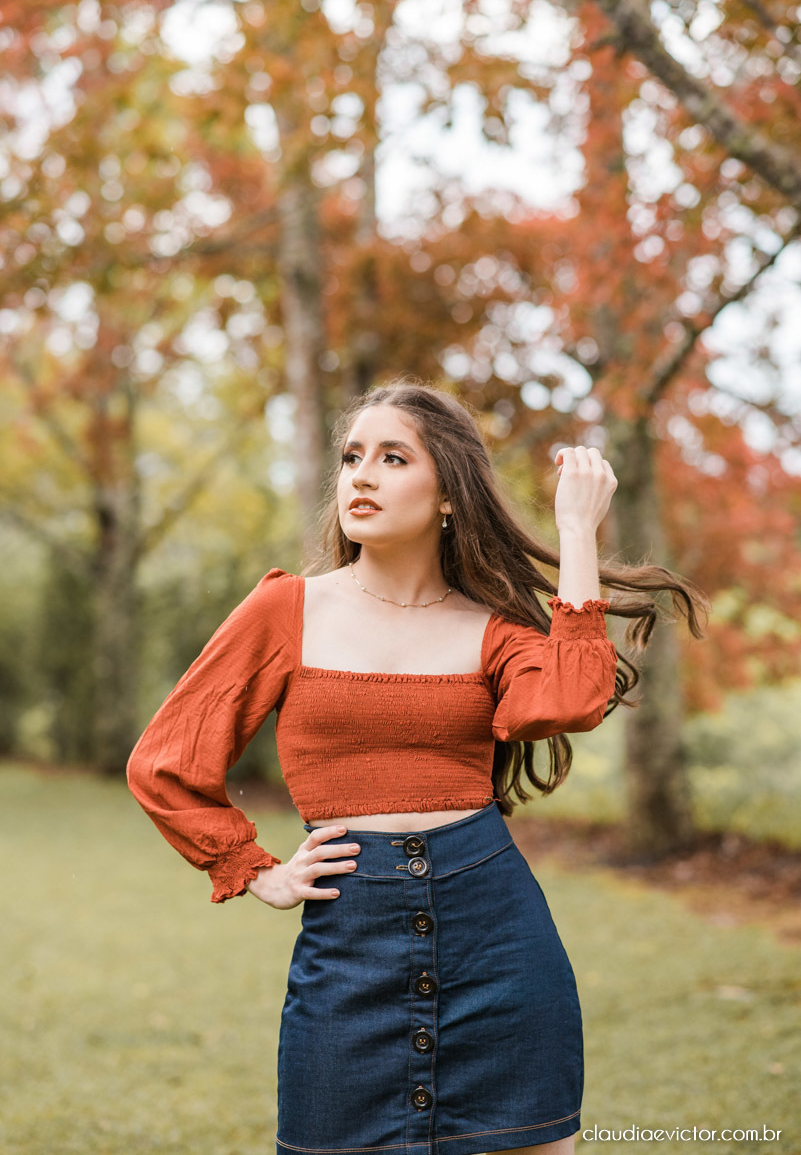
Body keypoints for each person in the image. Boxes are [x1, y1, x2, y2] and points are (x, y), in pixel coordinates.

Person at [127, 377, 708, 1155]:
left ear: (446, 496)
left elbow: (567, 698)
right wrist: (249, 866)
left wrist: (576, 533)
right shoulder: (284, 611)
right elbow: (165, 759)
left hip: (497, 937)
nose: (359, 476)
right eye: (351, 457)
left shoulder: (493, 630)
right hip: (347, 948)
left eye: (392, 457)